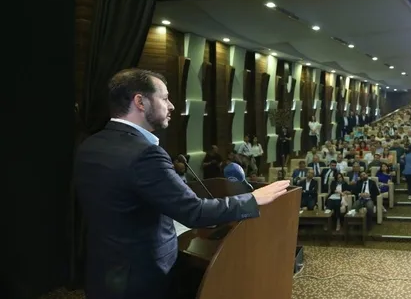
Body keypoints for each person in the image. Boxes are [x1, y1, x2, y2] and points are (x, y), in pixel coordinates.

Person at [74, 69, 289, 299]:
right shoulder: (146, 154)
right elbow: (194, 211)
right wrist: (253, 199)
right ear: (140, 102)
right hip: (141, 279)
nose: (172, 106)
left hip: (102, 270)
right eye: (165, 98)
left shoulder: (91, 144)